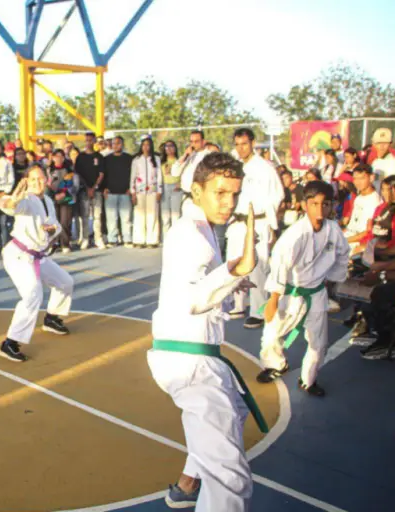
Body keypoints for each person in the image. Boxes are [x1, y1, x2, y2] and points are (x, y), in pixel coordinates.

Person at [147, 152, 264, 511]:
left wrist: (231, 284)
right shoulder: (190, 237)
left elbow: (203, 286)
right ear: (196, 191)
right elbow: (194, 299)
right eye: (220, 193)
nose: (229, 203)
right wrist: (235, 270)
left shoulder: (203, 230)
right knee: (231, 478)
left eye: (234, 194)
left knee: (236, 413)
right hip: (189, 363)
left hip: (194, 356)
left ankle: (188, 484)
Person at [255, 181, 350, 397]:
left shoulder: (333, 231)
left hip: (316, 293)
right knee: (272, 335)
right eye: (314, 203)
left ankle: (308, 379)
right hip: (289, 293)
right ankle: (276, 364)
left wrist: (332, 279)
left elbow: (343, 255)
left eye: (325, 204)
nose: (320, 209)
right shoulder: (294, 235)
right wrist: (273, 300)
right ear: (304, 205)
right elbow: (280, 266)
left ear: (331, 206)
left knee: (319, 343)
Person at [0, 165, 73, 362]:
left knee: (65, 282)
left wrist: (51, 231)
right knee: (32, 294)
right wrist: (13, 198)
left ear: (47, 179)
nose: (37, 183)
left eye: (40, 179)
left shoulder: (46, 200)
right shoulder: (25, 199)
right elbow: (6, 205)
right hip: (19, 255)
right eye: (32, 180)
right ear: (26, 182)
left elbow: (55, 226)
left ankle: (52, 318)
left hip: (38, 255)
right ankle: (10, 342)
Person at [225, 128, 284, 329]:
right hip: (237, 221)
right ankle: (239, 303)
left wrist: (270, 223)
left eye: (244, 144)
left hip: (258, 221)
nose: (241, 148)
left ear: (252, 143)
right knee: (234, 263)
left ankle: (258, 310)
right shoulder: (234, 166)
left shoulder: (265, 167)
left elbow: (277, 195)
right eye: (237, 144)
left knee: (257, 267)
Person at [74, 132, 106, 250]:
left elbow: (101, 174)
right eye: (86, 140)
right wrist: (87, 187)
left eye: (91, 140)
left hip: (97, 191)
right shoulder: (80, 157)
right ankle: (85, 239)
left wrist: (94, 187)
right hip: (84, 191)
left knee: (97, 215)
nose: (88, 142)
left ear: (94, 142)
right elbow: (77, 174)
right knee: (85, 216)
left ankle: (98, 238)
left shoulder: (99, 157)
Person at [131, 136, 164, 248]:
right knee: (139, 215)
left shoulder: (156, 159)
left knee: (152, 215)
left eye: (148, 145)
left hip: (152, 191)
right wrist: (133, 192)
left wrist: (159, 190)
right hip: (139, 191)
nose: (146, 147)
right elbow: (133, 177)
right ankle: (139, 239)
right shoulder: (136, 160)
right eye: (144, 145)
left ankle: (152, 239)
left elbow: (159, 176)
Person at [103, 136, 133, 247]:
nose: (116, 145)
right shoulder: (106, 159)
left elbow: (133, 175)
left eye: (118, 143)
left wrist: (131, 188)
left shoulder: (129, 159)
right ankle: (112, 239)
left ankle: (127, 239)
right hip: (110, 192)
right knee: (111, 218)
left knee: (126, 218)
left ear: (122, 144)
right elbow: (103, 175)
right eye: (114, 143)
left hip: (125, 192)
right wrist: (104, 188)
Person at [344, 165, 382, 251]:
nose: (357, 182)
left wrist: (344, 241)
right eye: (355, 179)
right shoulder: (358, 198)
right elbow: (352, 224)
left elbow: (367, 232)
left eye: (361, 178)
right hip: (349, 236)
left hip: (358, 243)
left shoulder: (374, 201)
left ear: (371, 178)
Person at [49, 149, 80, 253]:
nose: (58, 158)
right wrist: (54, 195)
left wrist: (64, 193)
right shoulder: (49, 170)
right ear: (52, 158)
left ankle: (65, 244)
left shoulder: (69, 170)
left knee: (65, 222)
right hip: (53, 199)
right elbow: (46, 185)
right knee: (54, 222)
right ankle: (55, 243)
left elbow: (75, 185)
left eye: (61, 156)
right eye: (56, 156)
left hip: (67, 199)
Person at [173, 130, 210, 196]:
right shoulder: (189, 154)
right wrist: (185, 155)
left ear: (203, 142)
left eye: (196, 141)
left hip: (200, 194)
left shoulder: (208, 155)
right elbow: (175, 172)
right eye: (191, 141)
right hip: (185, 193)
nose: (193, 144)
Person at [160, 140, 181, 235]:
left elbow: (183, 173)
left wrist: (180, 183)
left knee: (176, 216)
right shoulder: (161, 162)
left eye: (171, 146)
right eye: (166, 146)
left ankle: (176, 239)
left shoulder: (179, 161)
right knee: (165, 216)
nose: (168, 148)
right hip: (164, 187)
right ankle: (166, 239)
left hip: (176, 188)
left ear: (175, 148)